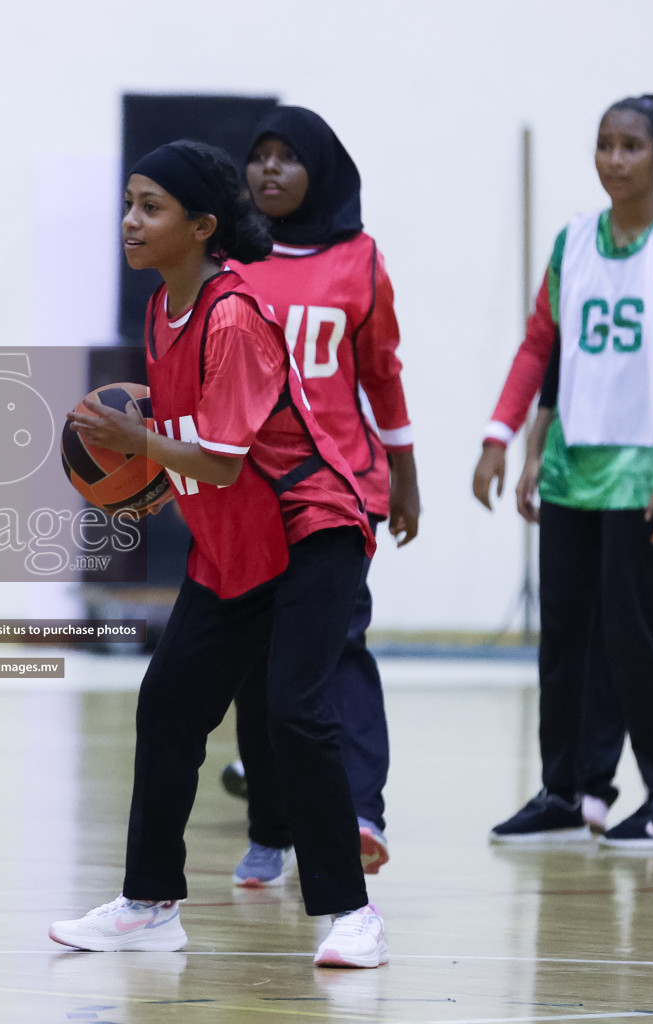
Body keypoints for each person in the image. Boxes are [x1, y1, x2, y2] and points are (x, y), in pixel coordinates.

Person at [50, 141, 387, 968]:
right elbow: (204, 451)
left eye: (151, 208)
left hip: (313, 527)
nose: (131, 221)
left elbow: (228, 455)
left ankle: (353, 915)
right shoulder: (164, 308)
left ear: (202, 226)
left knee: (294, 711)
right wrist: (147, 470)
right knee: (168, 705)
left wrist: (142, 441)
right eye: (128, 203)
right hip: (235, 542)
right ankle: (150, 903)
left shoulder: (233, 312)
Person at [475, 97, 653, 835]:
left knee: (635, 633)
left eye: (632, 146)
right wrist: (525, 441)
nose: (615, 159)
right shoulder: (572, 242)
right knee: (563, 635)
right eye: (605, 145)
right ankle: (564, 791)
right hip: (573, 468)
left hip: (644, 469)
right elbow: (556, 352)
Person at [221, 104, 419, 886]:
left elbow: (384, 375)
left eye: (287, 158)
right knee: (256, 664)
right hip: (246, 491)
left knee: (338, 649)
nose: (269, 170)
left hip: (340, 488)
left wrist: (406, 476)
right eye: (259, 156)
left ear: (320, 171)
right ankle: (270, 827)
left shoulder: (358, 260)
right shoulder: (227, 260)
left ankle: (361, 811)